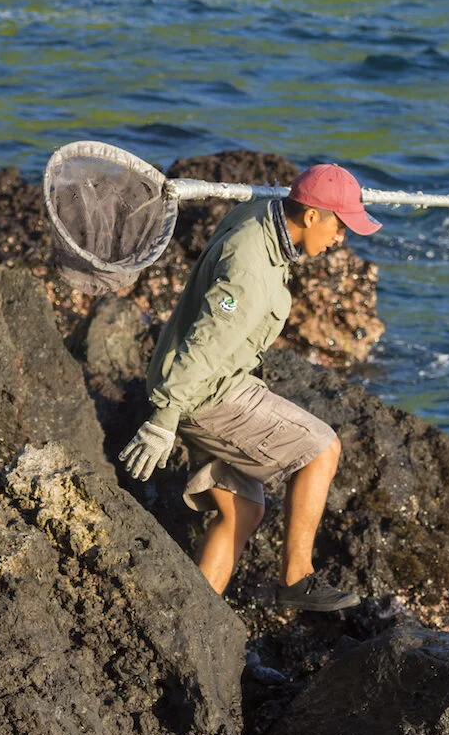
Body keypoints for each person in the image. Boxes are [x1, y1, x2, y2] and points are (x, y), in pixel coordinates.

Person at [119, 163, 379, 612]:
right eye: (340, 227)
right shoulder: (251, 270)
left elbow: (276, 204)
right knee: (322, 450)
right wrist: (162, 420)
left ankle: (200, 619)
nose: (341, 240)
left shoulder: (258, 213)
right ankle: (297, 579)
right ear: (312, 216)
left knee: (243, 510)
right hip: (205, 390)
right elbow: (205, 343)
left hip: (202, 380)